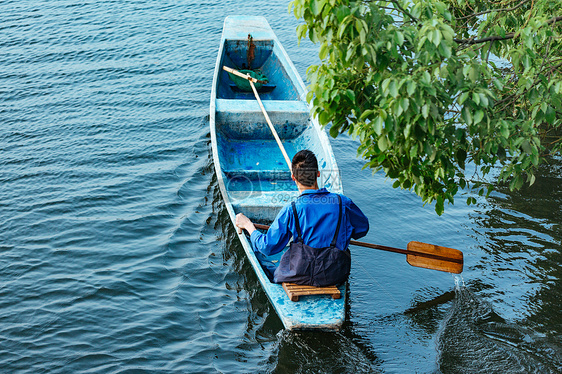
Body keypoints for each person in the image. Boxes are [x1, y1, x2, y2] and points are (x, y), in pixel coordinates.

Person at [235, 149, 369, 287]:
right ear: (317, 174)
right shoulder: (343, 203)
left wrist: (249, 226)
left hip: (298, 275)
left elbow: (268, 248)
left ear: (293, 177)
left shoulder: (291, 209)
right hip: (334, 276)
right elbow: (362, 230)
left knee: (262, 258)